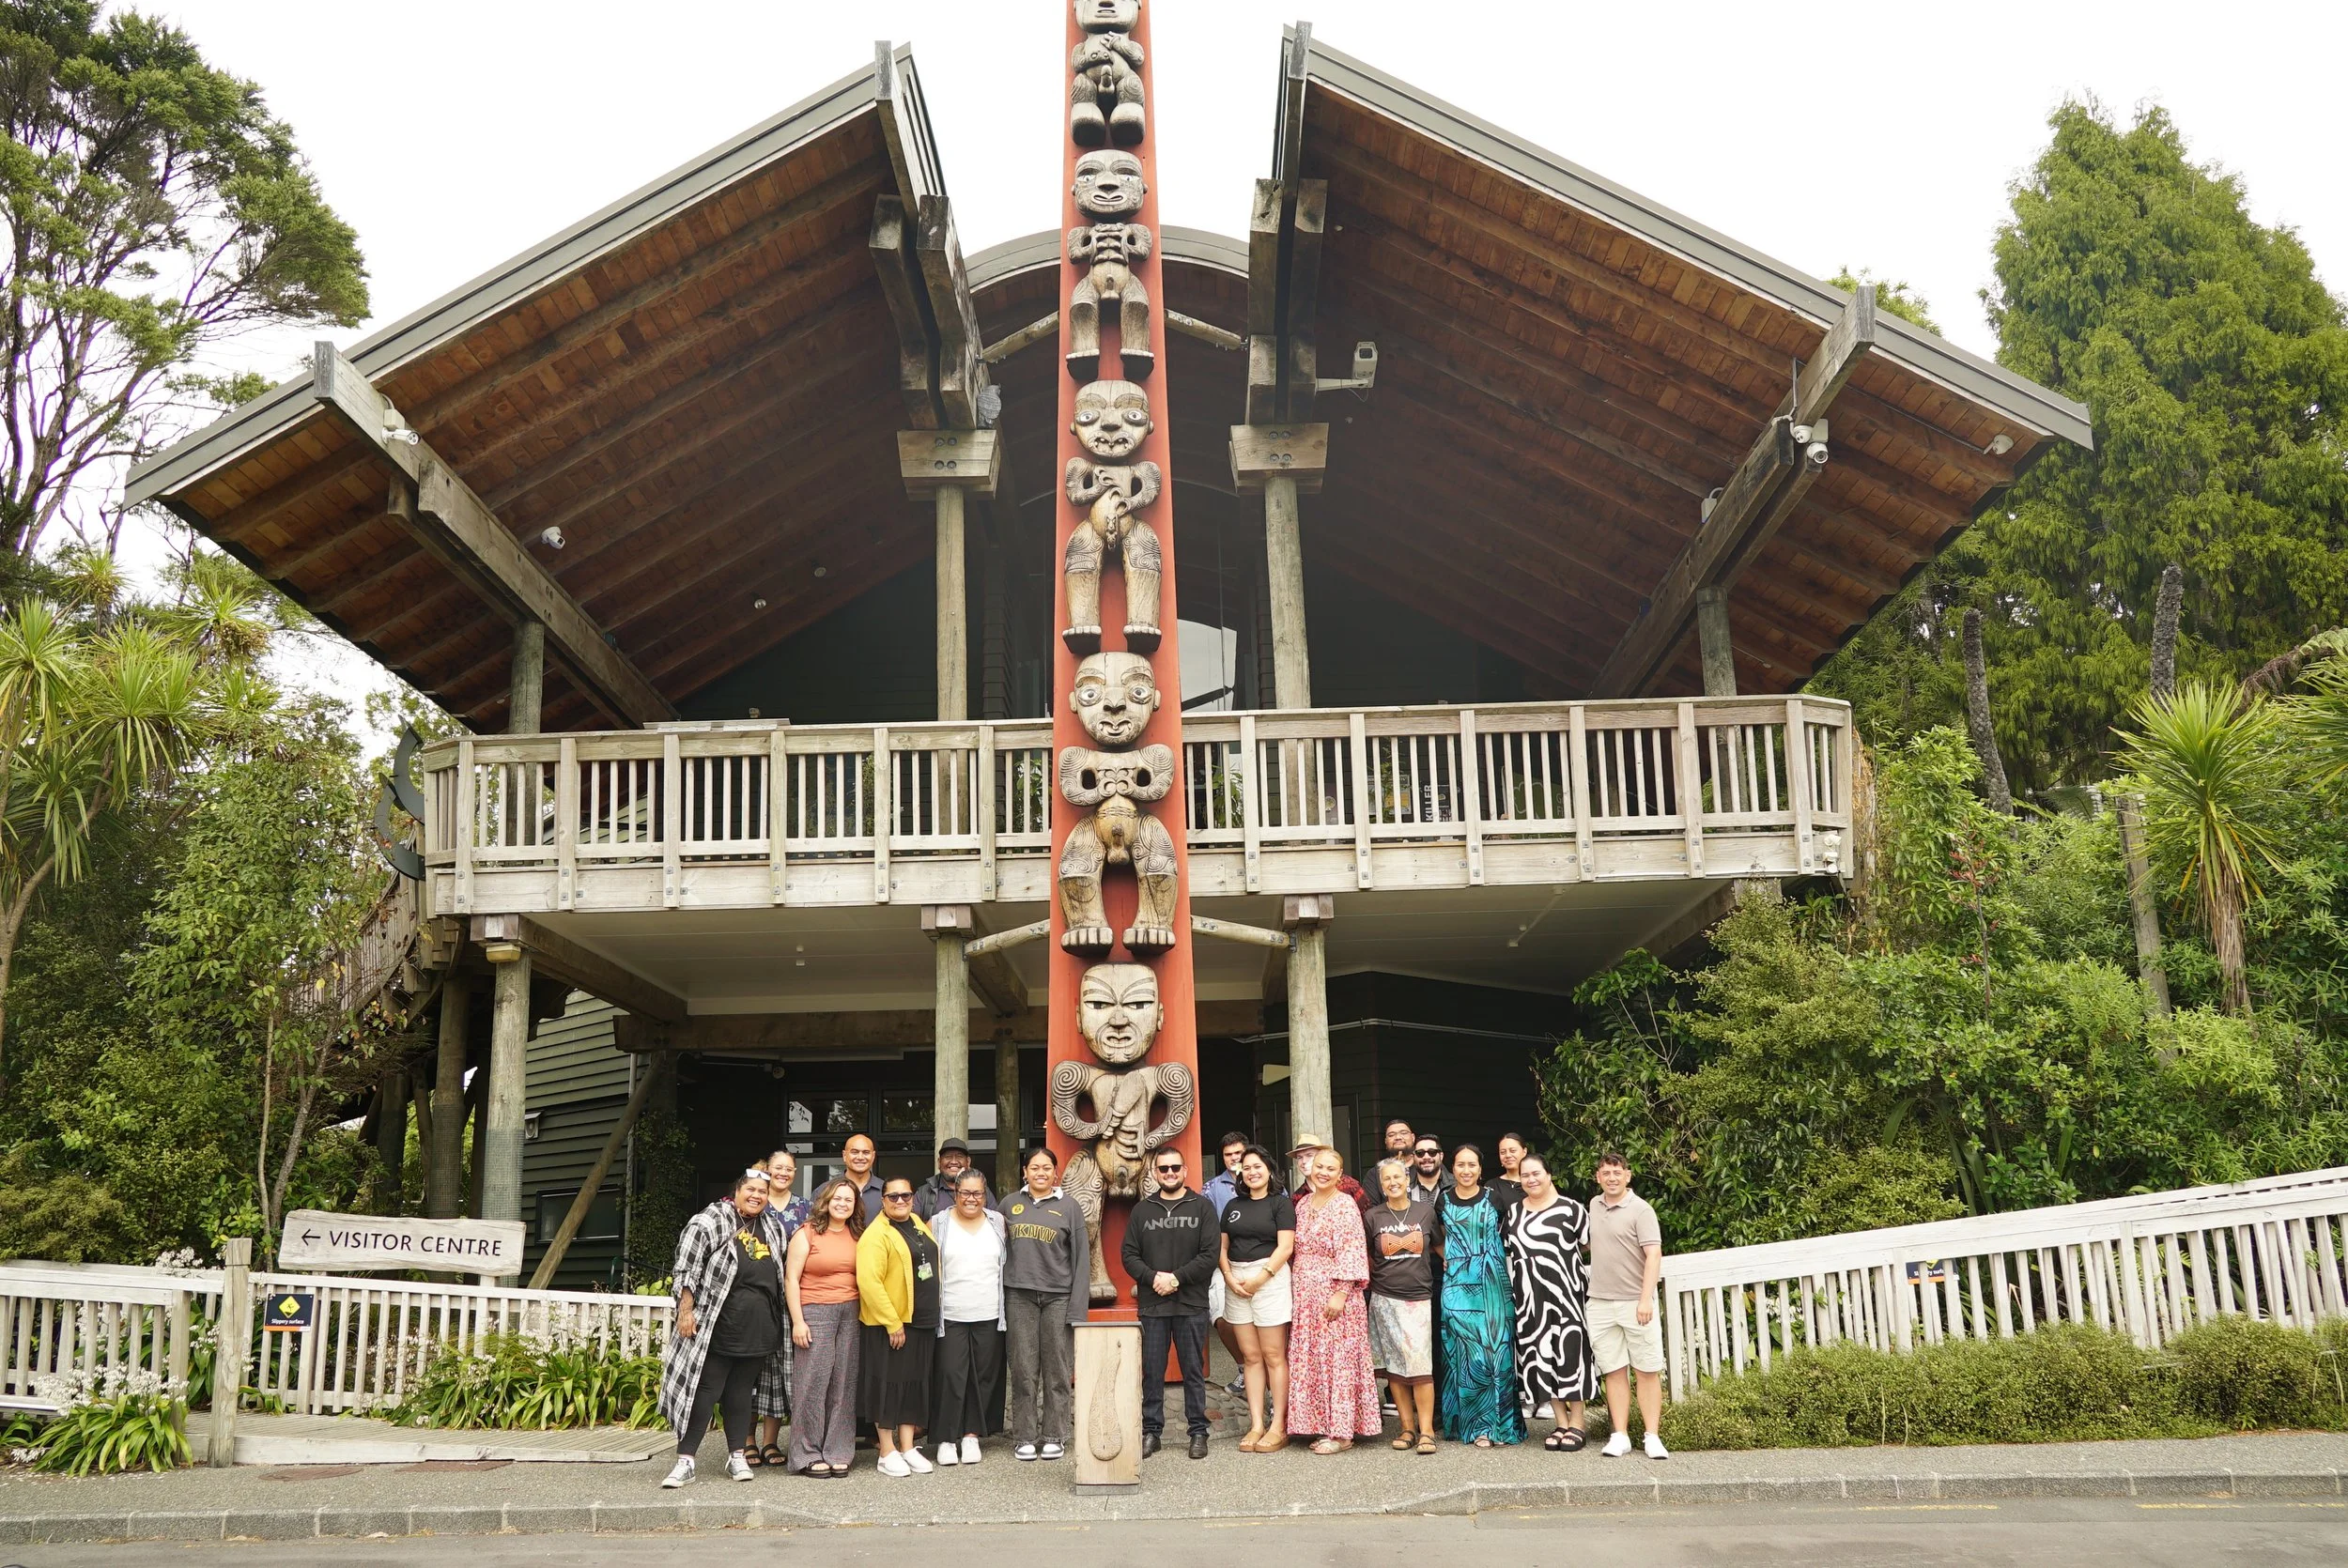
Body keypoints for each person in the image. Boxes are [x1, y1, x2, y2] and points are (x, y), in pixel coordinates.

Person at [659, 1170, 784, 1488]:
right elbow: (686, 1269)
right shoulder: (711, 1220)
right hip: (719, 1324)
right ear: (738, 1190)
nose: (757, 1195)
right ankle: (686, 1460)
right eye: (751, 1189)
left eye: (763, 1191)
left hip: (759, 1328)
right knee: (706, 1392)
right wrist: (685, 1312)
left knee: (741, 1394)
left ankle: (737, 1456)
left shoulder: (771, 1227)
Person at [1120, 1145, 1219, 1459]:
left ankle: (1198, 1432)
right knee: (1152, 1371)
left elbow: (1209, 1255)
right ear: (1155, 1173)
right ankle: (1152, 1432)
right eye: (1164, 1169)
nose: (1170, 1173)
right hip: (1153, 1304)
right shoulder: (1143, 1210)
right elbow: (1129, 1254)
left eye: (1175, 1167)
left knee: (1192, 1370)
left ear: (1185, 1170)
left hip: (1191, 1303)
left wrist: (1175, 1279)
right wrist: (1153, 1279)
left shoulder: (1202, 1207)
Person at [1285, 1145, 1380, 1454]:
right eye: (1319, 1167)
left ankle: (1342, 1433)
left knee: (1338, 1360)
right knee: (1314, 1359)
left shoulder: (1345, 1206)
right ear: (1311, 1170)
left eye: (1331, 1169)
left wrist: (1340, 1293)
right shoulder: (1302, 1206)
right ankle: (1319, 1423)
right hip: (1305, 1293)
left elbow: (1352, 1250)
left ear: (1340, 1175)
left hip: (1336, 1292)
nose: (1323, 1172)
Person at [1504, 1154, 1596, 1452]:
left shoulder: (1572, 1210)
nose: (1531, 1179)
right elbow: (1509, 1254)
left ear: (1549, 1174)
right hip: (1530, 1300)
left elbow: (1590, 1246)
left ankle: (1578, 1423)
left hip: (1567, 1296)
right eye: (1525, 1175)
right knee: (1541, 1358)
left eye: (1536, 1173)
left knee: (1571, 1356)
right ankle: (1560, 1422)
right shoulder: (1514, 1213)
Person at [1002, 1145, 1089, 1461]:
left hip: (1058, 1297)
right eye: (1034, 1167)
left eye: (1046, 1167)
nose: (1040, 1172)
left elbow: (1082, 1260)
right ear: (1025, 1172)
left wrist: (1078, 1308)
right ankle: (1024, 1436)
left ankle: (1055, 1434)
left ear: (1056, 1172)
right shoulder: (1009, 1205)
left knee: (1058, 1369)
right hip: (1019, 1295)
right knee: (1023, 1369)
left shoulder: (1069, 1207)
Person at [1436, 1143, 1522, 1447]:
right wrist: (1448, 1256)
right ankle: (1474, 1428)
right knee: (1465, 1356)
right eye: (1461, 1165)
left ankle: (1498, 1427)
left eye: (1472, 1165)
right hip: (1457, 1286)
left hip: (1493, 1285)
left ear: (1480, 1169)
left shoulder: (1494, 1198)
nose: (1466, 1170)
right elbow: (1436, 1237)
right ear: (1453, 1168)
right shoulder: (1443, 1200)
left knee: (1496, 1354)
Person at [857, 1176, 940, 1477]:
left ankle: (906, 1447)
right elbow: (869, 1283)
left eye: (906, 1195)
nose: (901, 1201)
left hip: (922, 1320)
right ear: (883, 1201)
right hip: (893, 1323)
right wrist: (892, 1323)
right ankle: (886, 1449)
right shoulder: (875, 1234)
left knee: (913, 1385)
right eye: (894, 1197)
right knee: (889, 1387)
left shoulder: (917, 1222)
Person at [783, 1177, 865, 1476]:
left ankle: (838, 1450)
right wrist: (798, 1321)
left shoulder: (857, 1234)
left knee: (844, 1385)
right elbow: (791, 1278)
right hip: (815, 1312)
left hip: (850, 1312)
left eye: (849, 1199)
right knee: (813, 1385)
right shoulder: (807, 1233)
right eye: (838, 1199)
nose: (843, 1204)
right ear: (826, 1202)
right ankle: (806, 1454)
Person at [1589, 1152, 1669, 1460]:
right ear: (1598, 1177)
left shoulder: (1641, 1210)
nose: (1611, 1177)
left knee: (1647, 1369)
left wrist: (1645, 1298)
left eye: (1617, 1172)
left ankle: (1652, 1436)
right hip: (1599, 1302)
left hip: (1636, 1303)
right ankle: (1620, 1435)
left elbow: (1654, 1255)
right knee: (1613, 1370)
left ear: (1628, 1176)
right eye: (1606, 1172)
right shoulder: (1593, 1206)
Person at [1218, 1143, 1294, 1453]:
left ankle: (1279, 1425)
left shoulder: (1280, 1204)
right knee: (1250, 1357)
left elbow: (1285, 1247)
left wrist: (1259, 1279)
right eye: (1245, 1167)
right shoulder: (1232, 1206)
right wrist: (1227, 1276)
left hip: (1270, 1279)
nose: (1251, 1172)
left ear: (1269, 1170)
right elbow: (1221, 1247)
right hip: (1235, 1278)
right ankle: (1256, 1423)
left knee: (1274, 1355)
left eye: (1257, 1166)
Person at [931, 1169, 1007, 1468]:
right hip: (950, 1313)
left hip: (989, 1312)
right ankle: (947, 1439)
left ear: (985, 1193)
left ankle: (971, 1435)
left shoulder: (997, 1222)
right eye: (965, 1193)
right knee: (951, 1375)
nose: (971, 1199)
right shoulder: (938, 1223)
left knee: (983, 1376)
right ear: (955, 1194)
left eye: (977, 1193)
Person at [1366, 1156, 1439, 1454]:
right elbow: (1367, 1257)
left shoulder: (1425, 1212)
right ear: (1381, 1185)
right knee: (1395, 1367)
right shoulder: (1372, 1217)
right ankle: (1406, 1428)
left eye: (1398, 1177)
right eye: (1387, 1180)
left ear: (1407, 1180)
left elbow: (1441, 1248)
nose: (1393, 1183)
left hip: (1418, 1297)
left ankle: (1427, 1431)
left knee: (1420, 1367)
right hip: (1384, 1298)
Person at [749, 1148, 809, 1468]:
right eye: (778, 1168)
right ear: (766, 1169)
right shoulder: (754, 1200)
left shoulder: (804, 1208)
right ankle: (746, 1440)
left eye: (789, 1169)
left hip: (789, 1299)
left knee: (777, 1371)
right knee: (750, 1368)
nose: (784, 1173)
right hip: (755, 1297)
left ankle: (770, 1442)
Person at [1202, 1131, 1250, 1397]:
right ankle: (1244, 1368)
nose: (1234, 1159)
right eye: (1229, 1155)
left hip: (1262, 1263)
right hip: (1224, 1263)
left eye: (1239, 1153)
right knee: (1221, 1318)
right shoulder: (1211, 1189)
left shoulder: (1268, 1180)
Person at [913, 1137, 996, 1221]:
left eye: (959, 1157)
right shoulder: (924, 1193)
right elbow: (914, 1226)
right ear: (939, 1162)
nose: (953, 1162)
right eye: (948, 1157)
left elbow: (994, 1221)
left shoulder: (983, 1192)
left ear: (968, 1162)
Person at [1288, 1132, 1367, 1207]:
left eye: (1309, 1155)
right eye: (1300, 1157)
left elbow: (1367, 1215)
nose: (1304, 1161)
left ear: (1320, 1156)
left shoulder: (1348, 1184)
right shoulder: (1298, 1197)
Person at [842, 1133, 885, 1221]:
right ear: (844, 1155)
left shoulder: (887, 1191)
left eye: (866, 1152)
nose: (860, 1157)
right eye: (854, 1152)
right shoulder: (825, 1191)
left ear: (873, 1156)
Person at [1491, 1131, 1530, 1210]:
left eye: (1513, 1151)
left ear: (1524, 1152)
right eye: (1503, 1152)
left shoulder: (1535, 1182)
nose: (1508, 1155)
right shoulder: (1492, 1185)